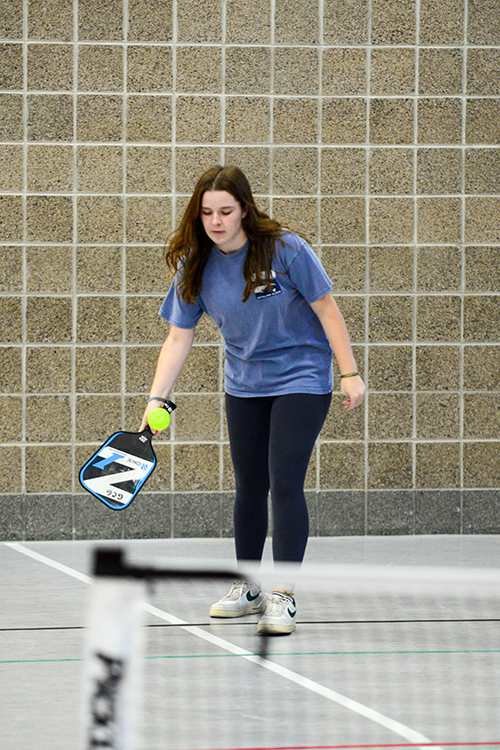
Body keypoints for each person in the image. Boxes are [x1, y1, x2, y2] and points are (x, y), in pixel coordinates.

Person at [140, 165, 365, 635]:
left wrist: (349, 372)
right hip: (244, 382)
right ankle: (247, 587)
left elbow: (327, 308)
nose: (216, 221)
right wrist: (155, 399)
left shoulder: (285, 249)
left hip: (301, 376)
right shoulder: (195, 264)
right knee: (248, 486)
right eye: (206, 212)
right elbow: (178, 338)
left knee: (284, 482)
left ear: (244, 209)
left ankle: (283, 595)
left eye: (225, 211)